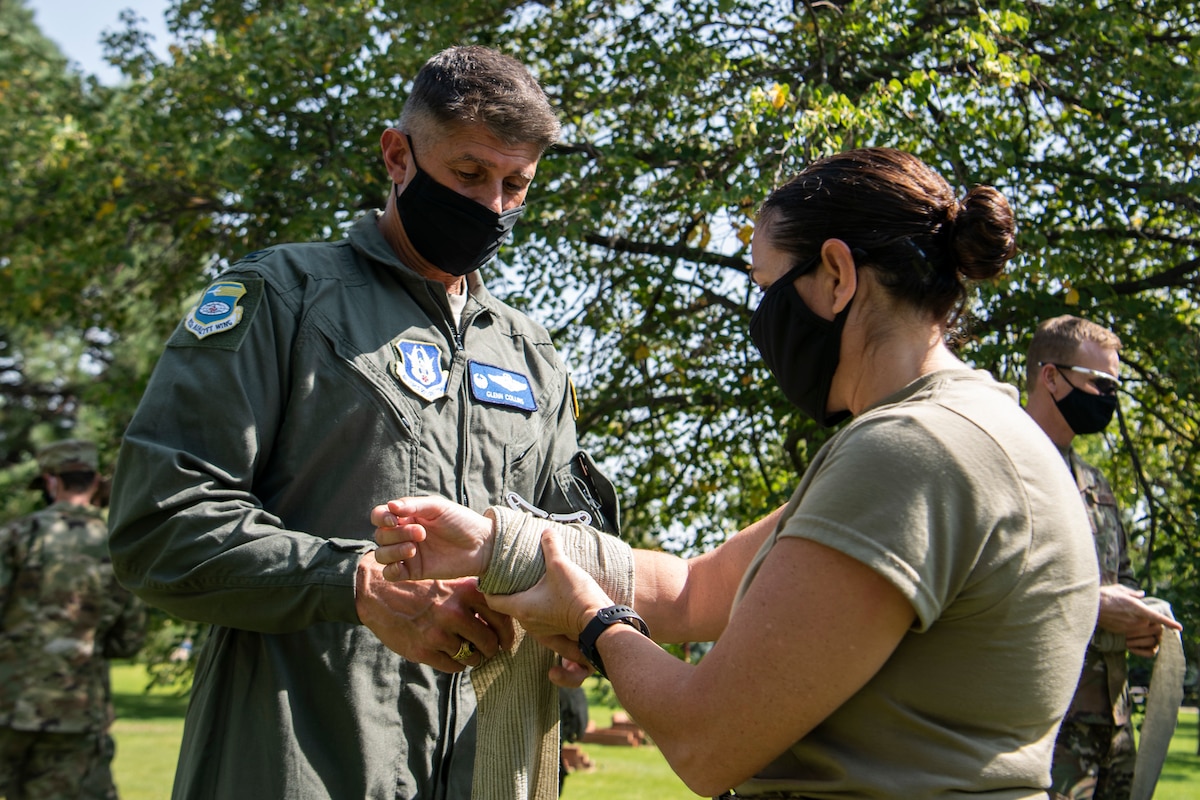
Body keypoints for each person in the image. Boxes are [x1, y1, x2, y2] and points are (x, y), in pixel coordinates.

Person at [372, 148, 1105, 799]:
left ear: (838, 274)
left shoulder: (908, 453)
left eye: (767, 285)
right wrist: (501, 543)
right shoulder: (976, 428)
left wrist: (596, 628)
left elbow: (705, 740)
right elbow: (697, 590)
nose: (762, 318)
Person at [107, 45, 620, 800]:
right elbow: (159, 522)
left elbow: (574, 536)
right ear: (397, 155)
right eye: (470, 175)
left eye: (517, 185)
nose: (493, 207)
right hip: (298, 762)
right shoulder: (282, 298)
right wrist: (355, 583)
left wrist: (583, 623)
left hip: (489, 765)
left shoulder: (530, 351)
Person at [1023, 315, 1181, 800]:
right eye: (1099, 382)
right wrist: (1093, 607)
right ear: (1051, 376)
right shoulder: (1008, 469)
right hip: (1042, 729)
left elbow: (1122, 581)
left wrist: (1142, 625)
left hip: (1112, 726)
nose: (1110, 397)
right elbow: (985, 587)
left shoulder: (1097, 486)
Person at [0, 439, 146, 799]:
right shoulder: (118, 547)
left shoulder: (17, 536)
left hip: (7, 704)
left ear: (51, 481)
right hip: (76, 710)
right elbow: (129, 641)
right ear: (95, 481)